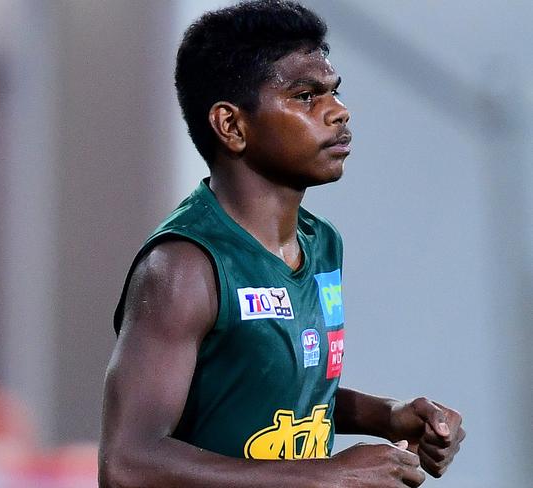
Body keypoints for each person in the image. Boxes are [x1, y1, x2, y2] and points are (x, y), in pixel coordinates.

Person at [99, 1, 465, 486]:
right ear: (231, 125)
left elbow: (274, 393)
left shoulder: (323, 243)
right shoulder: (184, 266)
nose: (339, 111)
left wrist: (389, 415)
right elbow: (127, 464)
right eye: (306, 96)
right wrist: (324, 477)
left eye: (334, 92)